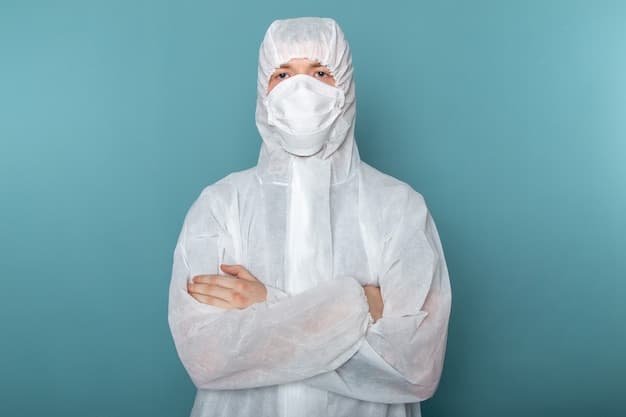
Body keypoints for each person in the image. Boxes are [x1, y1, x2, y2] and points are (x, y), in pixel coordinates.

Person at [168, 16, 452, 417]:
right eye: (282, 74)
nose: (301, 89)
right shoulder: (220, 205)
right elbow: (207, 357)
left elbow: (414, 364)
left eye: (321, 72)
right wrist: (363, 304)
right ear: (263, 90)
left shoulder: (398, 207)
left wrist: (266, 303)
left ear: (346, 88)